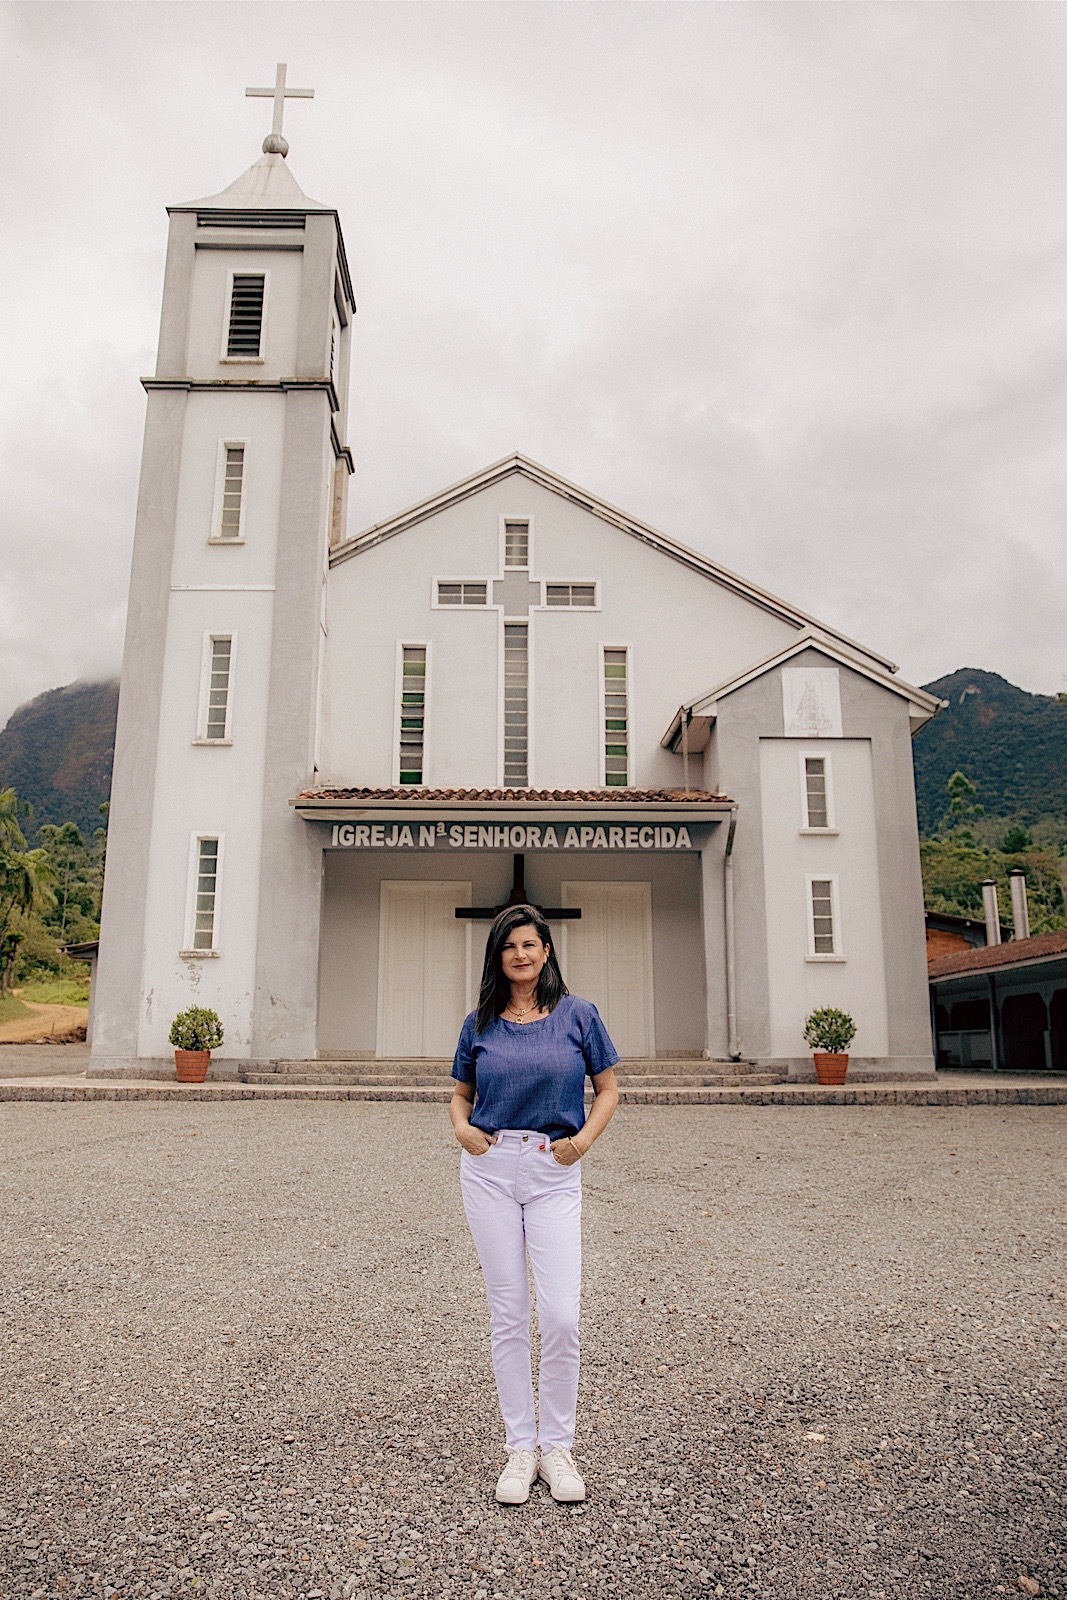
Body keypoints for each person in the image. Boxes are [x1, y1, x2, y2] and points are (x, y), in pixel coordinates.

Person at [449, 902, 620, 1505]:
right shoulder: (479, 1023)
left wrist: (581, 1143)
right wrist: (463, 1130)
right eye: (509, 946)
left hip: (554, 1169)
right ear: (497, 957)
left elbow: (608, 1089)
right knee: (508, 1314)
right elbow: (461, 1094)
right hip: (490, 1170)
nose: (520, 954)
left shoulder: (579, 1014)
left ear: (546, 951)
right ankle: (521, 1448)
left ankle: (558, 1448)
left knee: (562, 1315)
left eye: (529, 944)